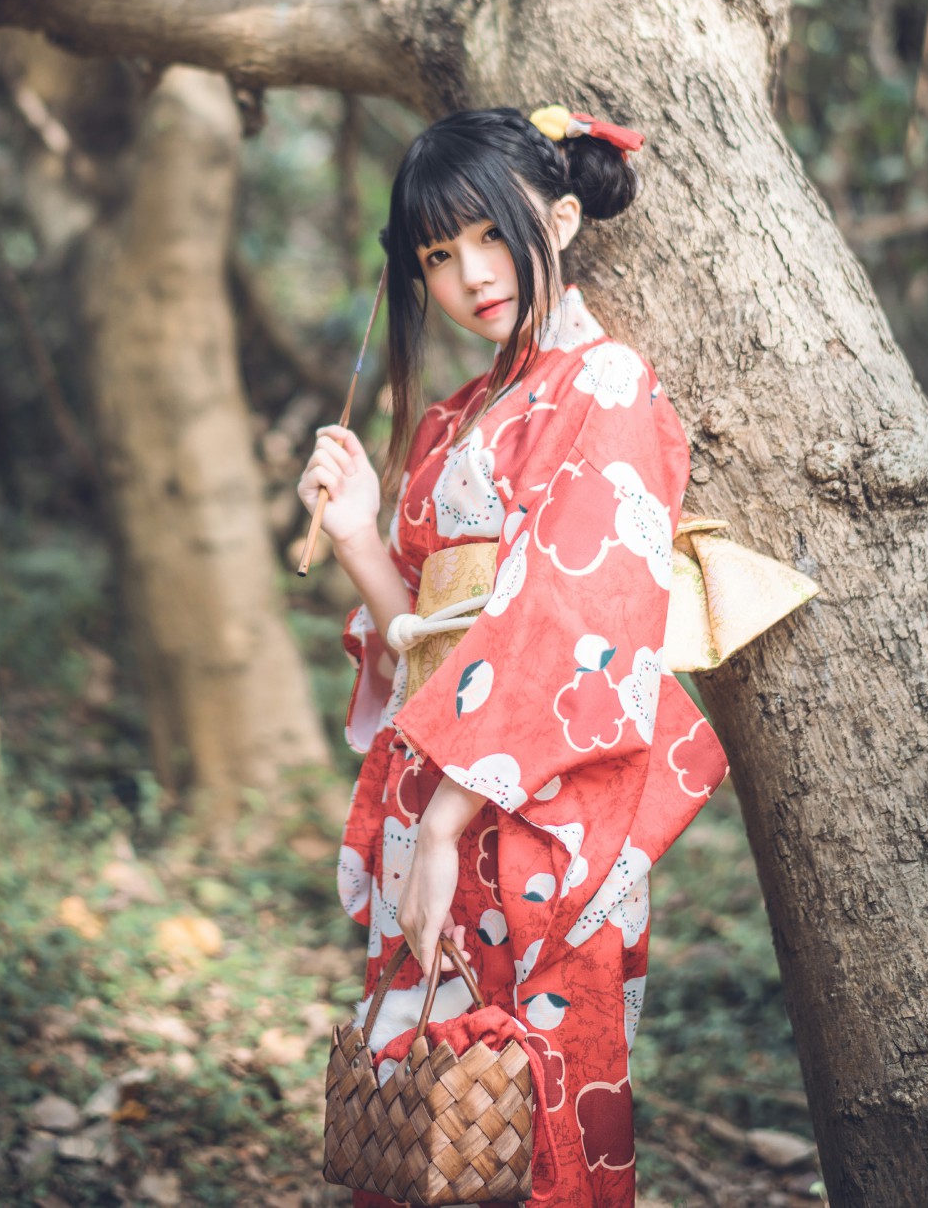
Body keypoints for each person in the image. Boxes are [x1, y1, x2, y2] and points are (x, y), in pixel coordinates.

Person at [298, 104, 729, 1208]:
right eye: (438, 255)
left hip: (544, 808)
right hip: (438, 794)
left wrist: (449, 824)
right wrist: (356, 535)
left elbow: (571, 617)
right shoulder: (453, 417)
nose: (471, 274)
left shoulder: (606, 383)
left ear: (563, 218)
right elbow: (424, 634)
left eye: (492, 233)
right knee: (431, 1119)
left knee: (534, 1108)